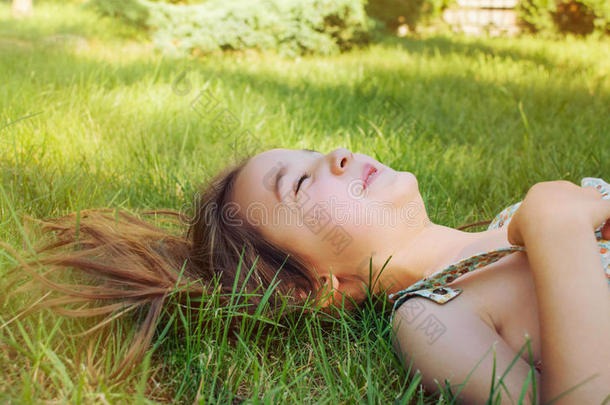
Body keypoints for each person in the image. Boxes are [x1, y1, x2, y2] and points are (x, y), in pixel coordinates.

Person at [10, 148, 610, 404]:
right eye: (299, 184)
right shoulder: (431, 312)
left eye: (315, 152)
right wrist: (557, 225)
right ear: (312, 289)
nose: (337, 156)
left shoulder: (508, 220)